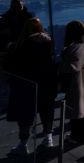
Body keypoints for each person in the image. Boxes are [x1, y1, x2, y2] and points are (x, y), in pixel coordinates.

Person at [5, 17, 56, 154]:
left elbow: (13, 63)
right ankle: (48, 138)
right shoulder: (49, 42)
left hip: (26, 84)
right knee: (47, 111)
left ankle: (23, 144)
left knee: (25, 114)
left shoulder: (21, 45)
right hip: (47, 83)